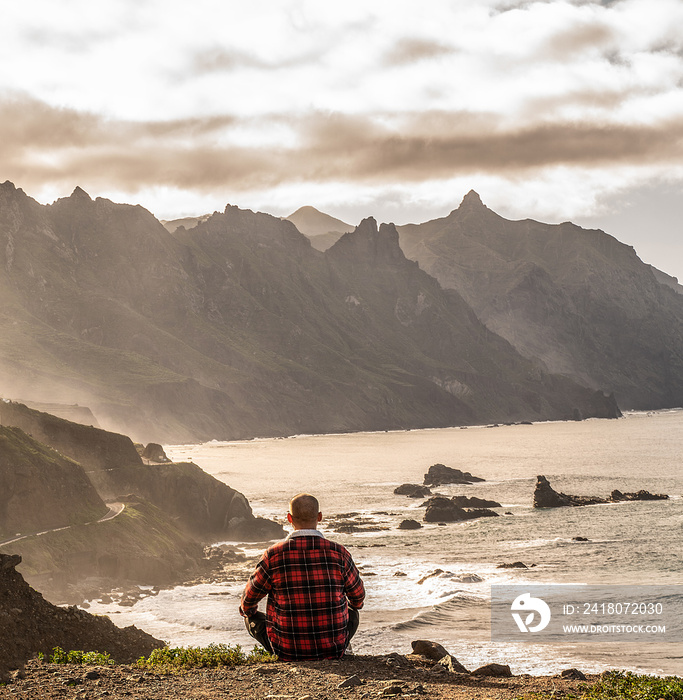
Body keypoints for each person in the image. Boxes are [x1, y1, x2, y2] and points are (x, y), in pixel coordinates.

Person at [239, 493, 365, 661]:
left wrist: (253, 613)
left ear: (289, 518)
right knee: (353, 611)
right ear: (319, 517)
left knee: (250, 615)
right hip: (333, 649)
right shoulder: (339, 553)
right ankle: (338, 646)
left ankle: (281, 650)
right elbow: (358, 598)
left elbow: (248, 601)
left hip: (287, 651)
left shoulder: (273, 555)